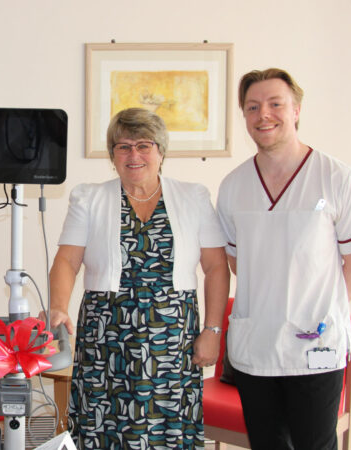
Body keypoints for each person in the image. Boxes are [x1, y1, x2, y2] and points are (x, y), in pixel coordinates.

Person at [216, 68, 351, 449]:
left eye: (276, 104)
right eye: (252, 107)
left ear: (296, 110)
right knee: (267, 443)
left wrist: (319, 309)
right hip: (255, 347)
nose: (264, 115)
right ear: (244, 116)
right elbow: (237, 262)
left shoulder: (338, 178)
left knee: (315, 444)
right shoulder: (233, 187)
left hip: (316, 348)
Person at [47, 108, 230, 448]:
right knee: (104, 426)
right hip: (106, 337)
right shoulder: (89, 198)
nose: (134, 155)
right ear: (112, 155)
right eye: (123, 147)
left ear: (161, 152)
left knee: (168, 427)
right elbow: (67, 260)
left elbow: (216, 267)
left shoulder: (194, 196)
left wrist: (213, 330)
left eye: (144, 145)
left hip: (173, 338)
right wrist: (58, 307)